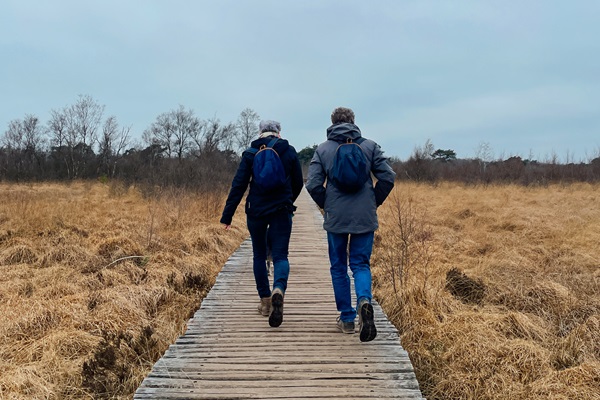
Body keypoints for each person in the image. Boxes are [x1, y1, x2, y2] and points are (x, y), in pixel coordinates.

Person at [305, 107, 395, 342]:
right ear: (354, 122)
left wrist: (328, 205)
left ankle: (347, 318)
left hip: (336, 218)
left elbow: (313, 184)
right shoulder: (370, 146)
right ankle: (364, 300)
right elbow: (388, 177)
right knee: (360, 264)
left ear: (332, 123)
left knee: (338, 266)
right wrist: (373, 202)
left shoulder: (323, 149)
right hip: (364, 216)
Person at [220, 120, 303, 328]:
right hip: (281, 211)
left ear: (260, 132)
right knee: (281, 255)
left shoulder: (250, 153)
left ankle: (265, 302)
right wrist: (288, 201)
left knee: (258, 254)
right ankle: (279, 289)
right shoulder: (289, 150)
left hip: (256, 211)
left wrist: (227, 217)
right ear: (278, 133)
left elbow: (238, 185)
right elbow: (299, 182)